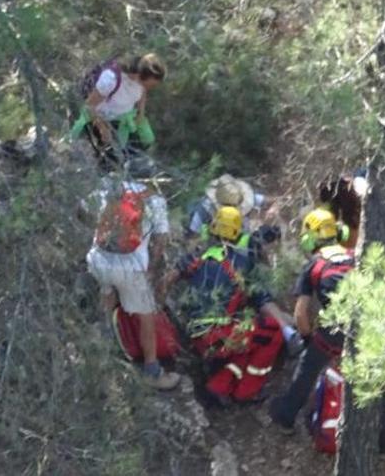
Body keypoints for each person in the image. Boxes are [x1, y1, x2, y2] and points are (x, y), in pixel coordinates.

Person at [162, 207, 299, 404]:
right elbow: (263, 301)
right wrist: (287, 329)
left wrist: (159, 307)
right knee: (271, 332)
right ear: (237, 233)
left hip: (195, 335)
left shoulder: (196, 257)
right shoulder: (241, 264)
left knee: (249, 339)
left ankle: (218, 387)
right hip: (220, 335)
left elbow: (168, 280)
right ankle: (247, 392)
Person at [85, 157, 180, 390]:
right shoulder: (154, 200)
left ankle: (101, 354)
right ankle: (152, 370)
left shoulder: (107, 188)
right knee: (146, 315)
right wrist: (150, 267)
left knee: (106, 295)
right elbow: (160, 240)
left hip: (98, 260)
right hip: (129, 266)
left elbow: (82, 211)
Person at [268, 208, 356, 430]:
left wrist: (307, 338)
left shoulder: (314, 265)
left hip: (335, 331)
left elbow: (300, 313)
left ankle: (285, 417)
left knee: (308, 366)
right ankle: (383, 441)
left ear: (312, 235)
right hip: (366, 326)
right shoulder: (355, 255)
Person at [69, 54, 166, 170]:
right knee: (107, 153)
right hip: (100, 116)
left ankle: (128, 162)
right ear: (140, 76)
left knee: (146, 139)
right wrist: (102, 127)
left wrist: (141, 113)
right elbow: (89, 106)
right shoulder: (111, 79)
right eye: (152, 84)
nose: (152, 87)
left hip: (124, 116)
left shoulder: (141, 82)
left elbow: (143, 92)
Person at [187, 174, 266, 238]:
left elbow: (267, 201)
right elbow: (194, 233)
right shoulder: (205, 208)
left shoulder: (238, 194)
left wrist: (273, 209)